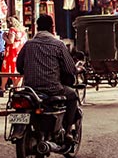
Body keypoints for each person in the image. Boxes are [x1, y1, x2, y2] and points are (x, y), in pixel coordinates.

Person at [16, 14, 79, 142]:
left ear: (37, 27)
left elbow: (19, 66)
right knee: (72, 95)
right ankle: (68, 132)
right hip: (52, 89)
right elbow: (70, 69)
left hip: (30, 90)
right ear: (52, 28)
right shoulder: (58, 45)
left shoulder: (29, 44)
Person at [1, 16, 27, 89]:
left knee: (6, 69)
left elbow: (11, 41)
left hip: (11, 52)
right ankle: (17, 87)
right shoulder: (22, 31)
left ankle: (3, 87)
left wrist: (4, 37)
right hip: (19, 52)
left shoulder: (12, 30)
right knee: (17, 70)